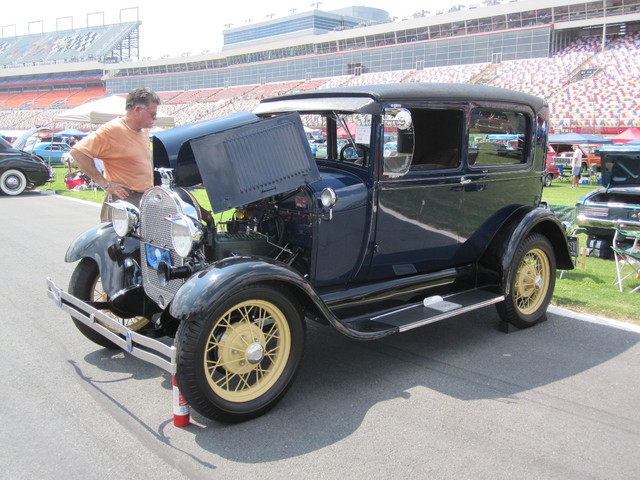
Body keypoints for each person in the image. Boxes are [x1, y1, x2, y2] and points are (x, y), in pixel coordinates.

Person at [70, 87, 160, 221]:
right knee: (117, 241)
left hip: (143, 199)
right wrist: (105, 184)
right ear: (138, 110)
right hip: (124, 200)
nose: (155, 118)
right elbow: (77, 152)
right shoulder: (113, 130)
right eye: (152, 114)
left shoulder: (143, 131)